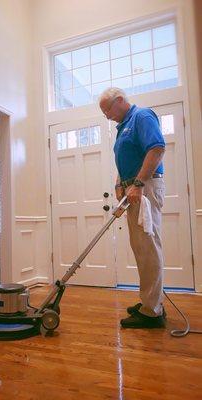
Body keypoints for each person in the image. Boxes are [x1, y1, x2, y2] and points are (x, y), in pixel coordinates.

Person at [99, 87, 166, 329]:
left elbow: (156, 148)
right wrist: (119, 184)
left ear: (119, 101)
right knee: (141, 248)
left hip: (144, 188)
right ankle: (151, 301)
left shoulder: (142, 116)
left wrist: (137, 184)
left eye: (107, 109)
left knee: (147, 247)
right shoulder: (124, 126)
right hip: (133, 190)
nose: (106, 115)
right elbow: (127, 160)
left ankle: (152, 311)